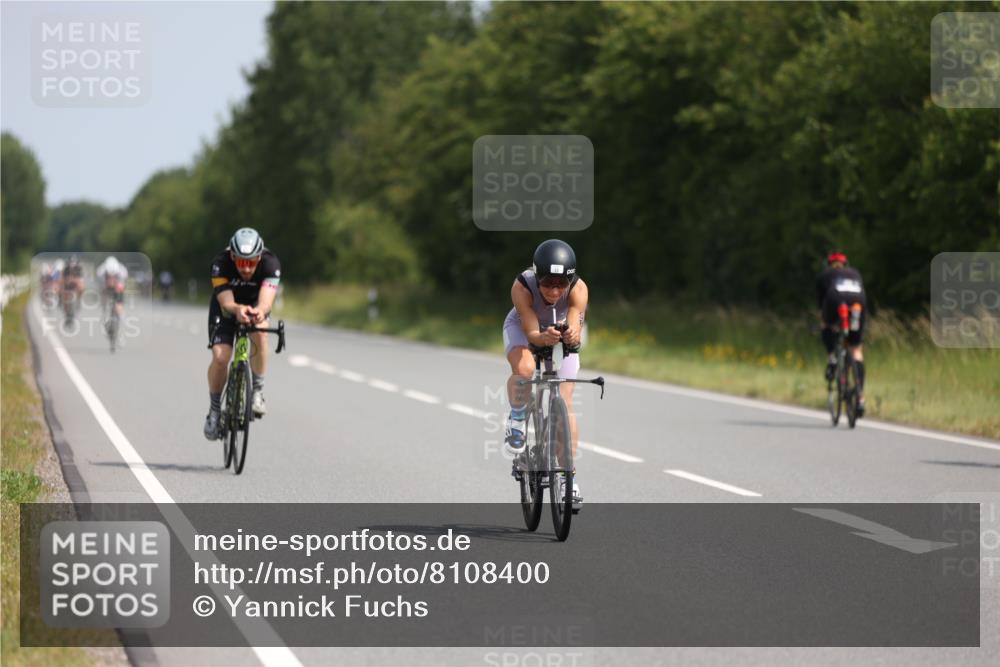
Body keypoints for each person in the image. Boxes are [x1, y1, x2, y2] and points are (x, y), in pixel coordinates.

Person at [502, 239, 589, 510]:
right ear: (537, 277)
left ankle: (568, 479)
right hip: (525, 328)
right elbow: (531, 332)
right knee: (526, 369)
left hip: (560, 333)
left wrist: (571, 332)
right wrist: (542, 337)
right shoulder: (522, 286)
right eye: (548, 283)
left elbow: (574, 321)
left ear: (570, 281)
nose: (554, 291)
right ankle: (517, 418)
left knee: (565, 400)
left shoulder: (579, 289)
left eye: (561, 284)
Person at [203, 228, 281, 440]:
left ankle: (257, 392)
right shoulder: (220, 263)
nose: (246, 268)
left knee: (262, 332)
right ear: (232, 256)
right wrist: (237, 309)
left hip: (255, 307)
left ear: (259, 257)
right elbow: (226, 302)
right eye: (241, 262)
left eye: (251, 262)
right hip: (226, 310)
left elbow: (266, 302)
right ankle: (215, 410)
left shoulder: (270, 263)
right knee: (221, 358)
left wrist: (260, 311)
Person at [816, 251, 867, 417]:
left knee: (826, 324)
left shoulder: (825, 275)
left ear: (829, 264)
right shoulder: (855, 273)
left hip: (835, 299)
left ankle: (831, 355)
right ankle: (860, 396)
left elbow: (821, 306)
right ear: (846, 264)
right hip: (858, 301)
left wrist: (828, 325)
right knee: (856, 349)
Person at [96, 255, 128, 324]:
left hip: (118, 284)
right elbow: (101, 285)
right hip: (105, 284)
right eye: (109, 275)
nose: (111, 276)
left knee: (119, 300)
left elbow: (122, 284)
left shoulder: (122, 271)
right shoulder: (101, 271)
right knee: (103, 294)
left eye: (113, 275)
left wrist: (119, 289)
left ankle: (120, 314)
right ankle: (104, 310)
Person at [60, 255, 85, 324]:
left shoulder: (79, 269)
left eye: (74, 265)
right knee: (64, 296)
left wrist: (77, 284)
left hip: (75, 285)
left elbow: (81, 281)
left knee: (81, 287)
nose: (72, 267)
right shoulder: (65, 269)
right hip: (67, 286)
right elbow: (62, 280)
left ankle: (79, 300)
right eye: (71, 265)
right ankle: (66, 313)